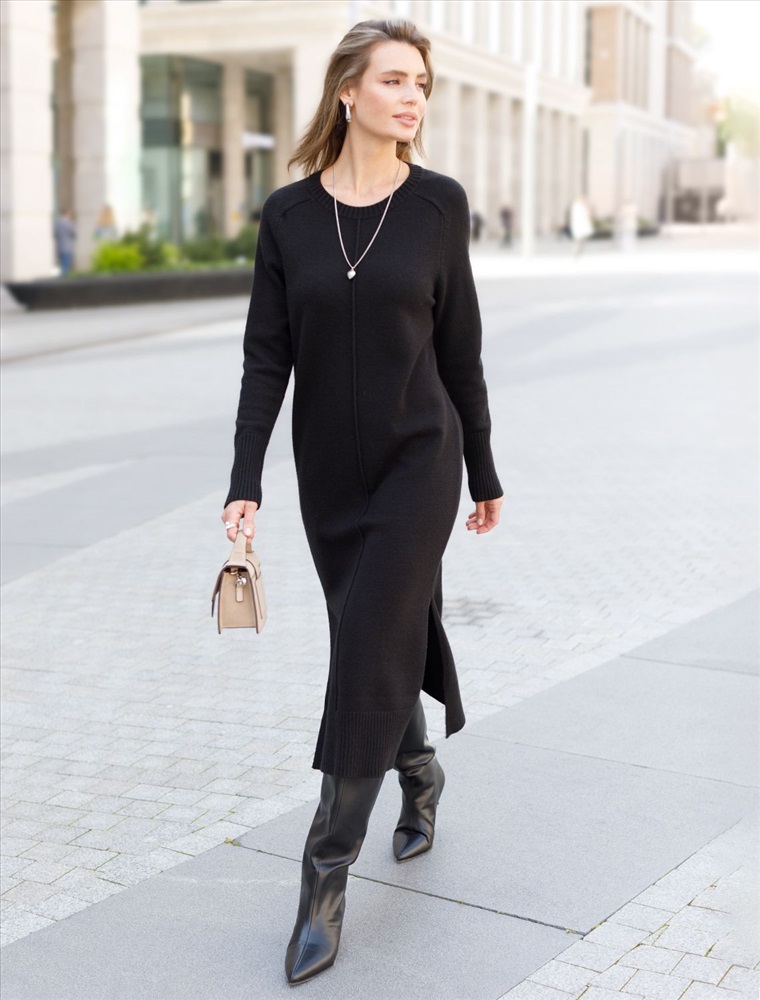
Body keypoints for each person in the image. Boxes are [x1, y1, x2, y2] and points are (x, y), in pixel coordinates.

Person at [221, 18, 504, 986]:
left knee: (363, 654)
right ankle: (419, 770)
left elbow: (461, 348)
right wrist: (245, 478)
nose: (411, 96)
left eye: (420, 82)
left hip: (420, 461)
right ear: (347, 91)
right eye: (393, 80)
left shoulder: (437, 205)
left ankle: (323, 880)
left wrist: (484, 469)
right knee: (377, 641)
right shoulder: (288, 217)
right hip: (328, 479)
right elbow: (266, 357)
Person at [53, 209, 76, 276]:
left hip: (59, 247)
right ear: (67, 214)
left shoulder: (57, 223)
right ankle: (64, 278)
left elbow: (55, 234)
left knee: (62, 265)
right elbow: (74, 234)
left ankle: (62, 277)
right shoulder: (69, 223)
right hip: (67, 247)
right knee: (66, 266)